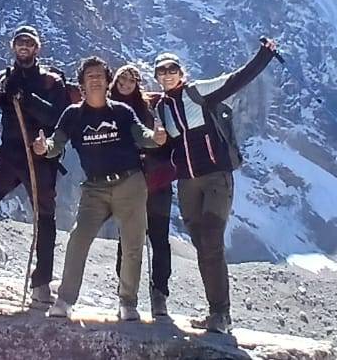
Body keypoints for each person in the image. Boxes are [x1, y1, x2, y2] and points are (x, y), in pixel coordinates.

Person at [150, 37, 277, 334]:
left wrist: (265, 54)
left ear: (182, 73)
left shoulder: (198, 92)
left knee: (211, 240)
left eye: (171, 70)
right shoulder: (163, 108)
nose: (166, 75)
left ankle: (221, 314)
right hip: (187, 182)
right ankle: (215, 313)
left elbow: (237, 79)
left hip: (216, 177)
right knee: (201, 244)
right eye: (161, 72)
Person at [34, 56, 165, 321]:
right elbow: (55, 145)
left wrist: (157, 138)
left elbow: (144, 138)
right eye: (89, 75)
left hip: (130, 183)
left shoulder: (121, 112)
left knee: (132, 245)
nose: (95, 79)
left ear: (108, 82)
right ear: (82, 84)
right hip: (94, 188)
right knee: (78, 239)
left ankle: (128, 303)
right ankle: (65, 300)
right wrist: (43, 147)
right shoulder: (72, 115)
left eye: (99, 75)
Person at [0, 25, 72, 304]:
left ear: (37, 48)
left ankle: (42, 283)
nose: (24, 46)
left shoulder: (51, 80)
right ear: (13, 46)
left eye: (29, 43)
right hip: (10, 154)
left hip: (39, 155)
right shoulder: (5, 77)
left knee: (44, 216)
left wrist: (26, 98)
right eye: (19, 42)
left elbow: (56, 117)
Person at [109, 63, 176, 317]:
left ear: (137, 84)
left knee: (158, 238)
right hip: (127, 182)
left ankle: (159, 294)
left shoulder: (152, 106)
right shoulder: (106, 108)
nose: (125, 85)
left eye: (131, 80)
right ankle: (126, 295)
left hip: (157, 181)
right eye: (122, 80)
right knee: (126, 239)